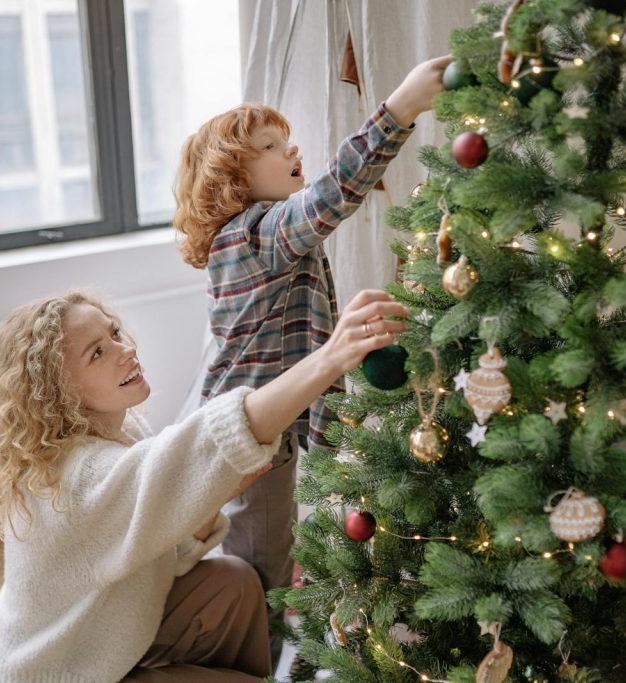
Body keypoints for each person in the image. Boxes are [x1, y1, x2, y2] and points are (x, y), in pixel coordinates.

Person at [0, 288, 408, 682]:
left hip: (104, 640)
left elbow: (152, 548)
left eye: (114, 334)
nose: (125, 351)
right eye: (97, 353)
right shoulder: (78, 477)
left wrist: (217, 493)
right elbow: (207, 441)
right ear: (59, 390)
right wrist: (332, 355)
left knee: (231, 584)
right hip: (67, 674)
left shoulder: (118, 435)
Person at [171, 54, 450, 662]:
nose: (290, 149)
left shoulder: (266, 236)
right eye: (271, 146)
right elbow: (331, 196)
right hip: (245, 431)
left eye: (286, 139)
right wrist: (399, 108)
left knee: (278, 552)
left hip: (269, 424)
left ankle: (275, 646)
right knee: (257, 564)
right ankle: (253, 662)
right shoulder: (252, 234)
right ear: (232, 179)